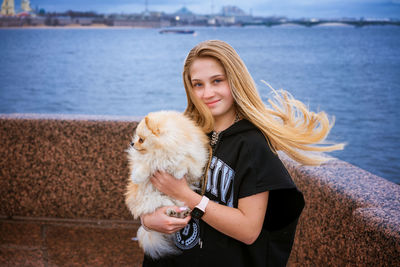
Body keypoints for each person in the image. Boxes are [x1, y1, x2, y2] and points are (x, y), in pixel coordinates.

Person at [140, 40, 344, 267]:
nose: (208, 93)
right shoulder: (182, 133)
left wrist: (188, 196)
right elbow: (148, 194)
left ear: (235, 80)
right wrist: (148, 220)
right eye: (198, 84)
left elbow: (249, 230)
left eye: (217, 81)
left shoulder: (253, 145)